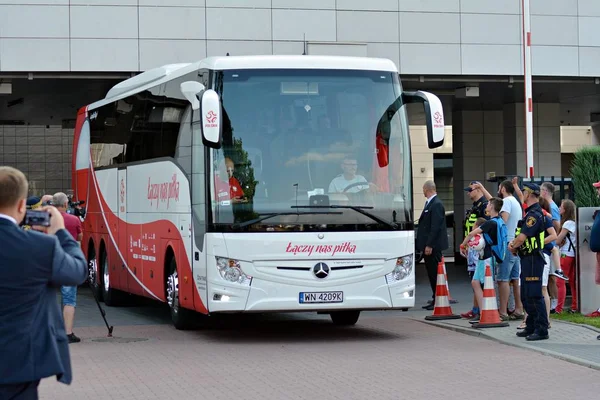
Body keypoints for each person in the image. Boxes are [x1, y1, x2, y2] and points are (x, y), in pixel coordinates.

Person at [0, 166, 88, 399]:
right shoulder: (39, 246)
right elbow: (77, 271)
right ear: (21, 206)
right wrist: (59, 232)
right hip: (19, 364)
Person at [509, 183, 557, 341]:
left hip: (533, 259)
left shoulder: (533, 215)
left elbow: (522, 237)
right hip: (527, 258)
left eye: (523, 191)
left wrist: (513, 245)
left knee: (534, 295)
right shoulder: (531, 213)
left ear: (528, 194)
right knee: (526, 295)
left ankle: (542, 329)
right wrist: (516, 246)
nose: (522, 194)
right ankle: (531, 325)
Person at [461, 198, 505, 323]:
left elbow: (471, 234)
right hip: (489, 257)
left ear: (492, 207)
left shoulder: (490, 223)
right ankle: (483, 311)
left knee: (483, 284)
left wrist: (463, 245)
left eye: (489, 204)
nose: (487, 205)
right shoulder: (499, 221)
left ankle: (484, 312)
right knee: (477, 282)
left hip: (487, 257)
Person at [53, 192, 84, 343]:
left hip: (50, 261)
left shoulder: (48, 220)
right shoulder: (74, 219)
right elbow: (79, 237)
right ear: (66, 204)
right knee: (69, 297)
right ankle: (67, 333)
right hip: (68, 262)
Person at [415, 180, 448, 310]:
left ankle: (437, 299)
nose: (423, 192)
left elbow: (435, 226)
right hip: (429, 246)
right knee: (431, 272)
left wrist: (429, 245)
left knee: (435, 273)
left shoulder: (436, 204)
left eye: (423, 189)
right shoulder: (431, 203)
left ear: (427, 189)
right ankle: (435, 296)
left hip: (433, 247)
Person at [460, 181, 490, 320]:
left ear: (478, 190)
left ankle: (480, 310)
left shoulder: (484, 206)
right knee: (474, 278)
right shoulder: (475, 206)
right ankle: (476, 309)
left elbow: (484, 228)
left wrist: (470, 243)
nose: (468, 193)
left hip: (479, 248)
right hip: (473, 247)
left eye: (470, 190)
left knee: (478, 280)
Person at [554, 199, 578, 314]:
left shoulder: (568, 223)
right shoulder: (574, 222)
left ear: (566, 210)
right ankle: (574, 306)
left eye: (561, 206)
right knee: (572, 281)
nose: (559, 208)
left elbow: (558, 240)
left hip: (566, 254)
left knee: (560, 281)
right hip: (572, 254)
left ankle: (559, 308)